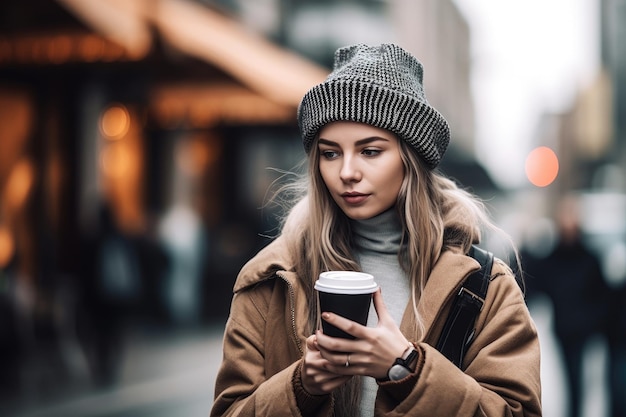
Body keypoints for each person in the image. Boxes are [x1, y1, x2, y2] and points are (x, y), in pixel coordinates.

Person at [210, 43, 541, 417]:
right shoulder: (271, 279)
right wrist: (301, 385)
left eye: (370, 151)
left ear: (411, 158)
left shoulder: (484, 287)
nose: (347, 172)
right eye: (330, 153)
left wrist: (406, 368)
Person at [524, 195, 609, 417]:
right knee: (569, 377)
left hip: (582, 329)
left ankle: (576, 411)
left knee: (579, 378)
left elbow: (602, 294)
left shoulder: (590, 258)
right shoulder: (553, 257)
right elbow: (536, 281)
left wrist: (593, 321)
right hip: (563, 329)